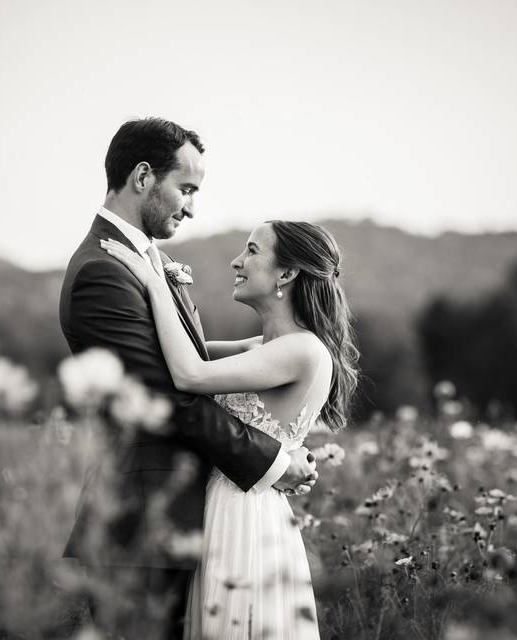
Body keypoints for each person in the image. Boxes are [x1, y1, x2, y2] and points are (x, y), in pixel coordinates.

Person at [58, 117, 318, 639]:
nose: (192, 206)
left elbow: (195, 362)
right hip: (140, 529)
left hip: (182, 523)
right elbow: (163, 397)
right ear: (143, 176)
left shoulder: (145, 262)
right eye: (186, 188)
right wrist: (270, 460)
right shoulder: (102, 273)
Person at [101, 218, 358, 640]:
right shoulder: (265, 347)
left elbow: (191, 375)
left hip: (244, 515)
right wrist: (165, 283)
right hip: (226, 503)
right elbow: (179, 353)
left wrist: (154, 283)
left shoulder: (304, 350)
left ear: (287, 274)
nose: (237, 262)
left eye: (253, 251)